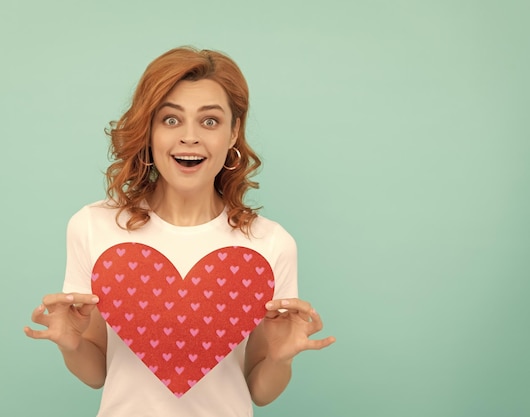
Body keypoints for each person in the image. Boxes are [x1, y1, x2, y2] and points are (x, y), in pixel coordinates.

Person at [24, 46, 335, 416]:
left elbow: (259, 390)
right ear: (150, 131)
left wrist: (281, 359)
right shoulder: (94, 227)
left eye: (209, 121)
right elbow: (97, 374)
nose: (189, 137)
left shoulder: (269, 244)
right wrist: (70, 343)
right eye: (171, 120)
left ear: (234, 132)